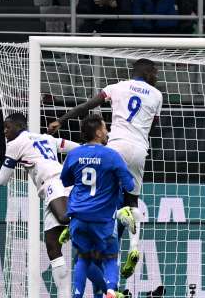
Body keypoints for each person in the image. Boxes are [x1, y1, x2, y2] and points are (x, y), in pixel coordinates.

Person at [48, 58, 163, 279]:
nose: (156, 75)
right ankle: (134, 247)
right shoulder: (157, 95)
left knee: (96, 189)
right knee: (132, 201)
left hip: (115, 145)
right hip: (138, 149)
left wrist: (61, 120)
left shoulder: (116, 87)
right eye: (155, 71)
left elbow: (87, 106)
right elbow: (153, 127)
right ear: (147, 72)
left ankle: (75, 225)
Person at [0, 113, 80, 298]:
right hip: (52, 186)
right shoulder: (46, 138)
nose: (5, 131)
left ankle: (87, 220)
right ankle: (64, 294)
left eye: (7, 127)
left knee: (64, 218)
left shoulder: (14, 144)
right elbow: (75, 148)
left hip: (53, 182)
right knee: (52, 244)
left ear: (19, 127)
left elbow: (3, 179)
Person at [61, 114, 135, 298]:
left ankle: (77, 295)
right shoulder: (111, 155)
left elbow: (65, 180)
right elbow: (130, 186)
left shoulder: (74, 154)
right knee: (110, 257)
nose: (107, 131)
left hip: (78, 217)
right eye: (105, 127)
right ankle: (110, 290)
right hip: (102, 219)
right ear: (98, 131)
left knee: (83, 259)